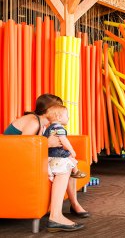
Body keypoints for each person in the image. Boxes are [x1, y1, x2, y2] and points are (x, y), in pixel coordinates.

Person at [3, 94, 89, 232]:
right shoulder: (34, 121)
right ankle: (56, 216)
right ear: (51, 110)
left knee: (68, 162)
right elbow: (23, 148)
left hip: (20, 161)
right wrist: (47, 144)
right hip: (10, 163)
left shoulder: (44, 125)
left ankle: (73, 204)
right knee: (64, 166)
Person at [44, 105, 86, 181]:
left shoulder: (49, 128)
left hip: (48, 153)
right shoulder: (59, 127)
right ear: (59, 117)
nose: (68, 117)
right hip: (56, 153)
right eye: (66, 115)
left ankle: (51, 173)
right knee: (70, 156)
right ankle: (75, 172)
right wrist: (71, 150)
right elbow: (63, 139)